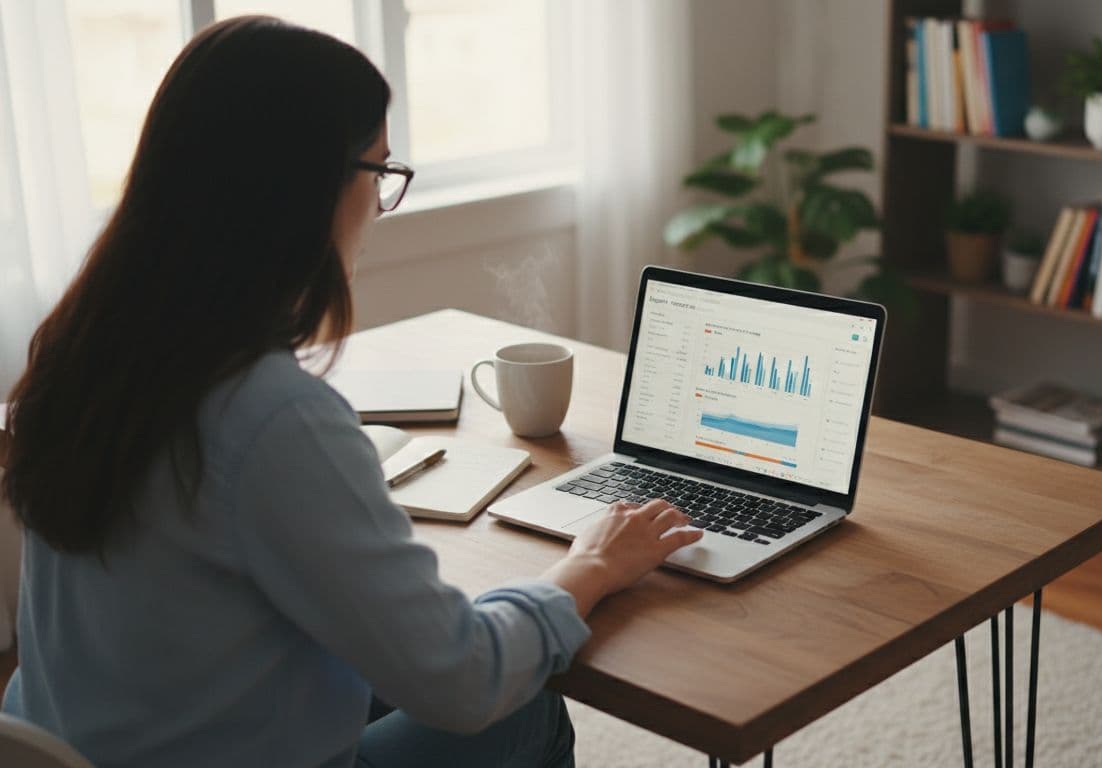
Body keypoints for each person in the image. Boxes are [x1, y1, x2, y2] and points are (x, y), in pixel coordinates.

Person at [0, 16, 701, 768]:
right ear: (306, 188)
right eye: (380, 172)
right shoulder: (270, 415)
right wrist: (588, 566)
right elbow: (465, 682)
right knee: (525, 702)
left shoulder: (88, 352)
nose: (379, 204)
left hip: (92, 739)